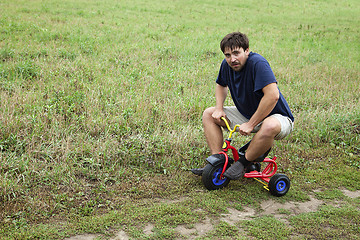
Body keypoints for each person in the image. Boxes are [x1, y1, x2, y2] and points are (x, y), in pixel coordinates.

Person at [191, 32, 294, 180]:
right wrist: (219, 108)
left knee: (269, 125)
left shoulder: (258, 63)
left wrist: (251, 124)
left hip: (277, 117)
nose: (232, 59)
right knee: (209, 114)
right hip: (248, 114)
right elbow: (221, 84)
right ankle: (217, 162)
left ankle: (242, 163)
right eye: (227, 55)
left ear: (246, 50)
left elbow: (273, 95)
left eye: (236, 53)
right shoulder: (227, 65)